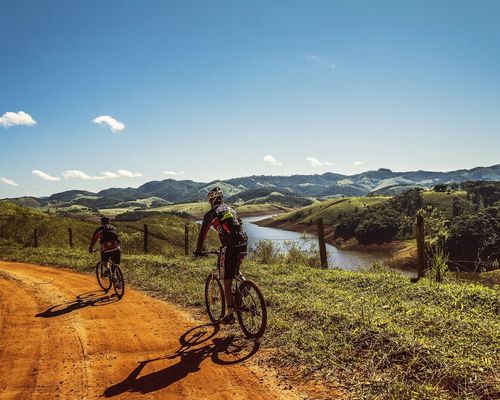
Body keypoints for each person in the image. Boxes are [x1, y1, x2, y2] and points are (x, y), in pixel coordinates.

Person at [194, 187, 248, 324]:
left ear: (211, 200)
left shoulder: (211, 214)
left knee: (227, 282)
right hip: (243, 243)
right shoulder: (231, 210)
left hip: (229, 247)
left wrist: (198, 250)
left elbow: (202, 235)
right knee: (235, 271)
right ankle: (245, 284)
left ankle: (230, 315)